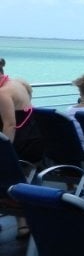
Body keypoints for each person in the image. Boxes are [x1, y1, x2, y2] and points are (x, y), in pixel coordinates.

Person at [0, 72, 45, 238]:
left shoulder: (3, 93)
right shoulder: (18, 83)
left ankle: (21, 217)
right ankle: (23, 223)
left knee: (8, 170)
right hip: (34, 138)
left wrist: (5, 153)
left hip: (22, 145)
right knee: (15, 175)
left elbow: (10, 125)